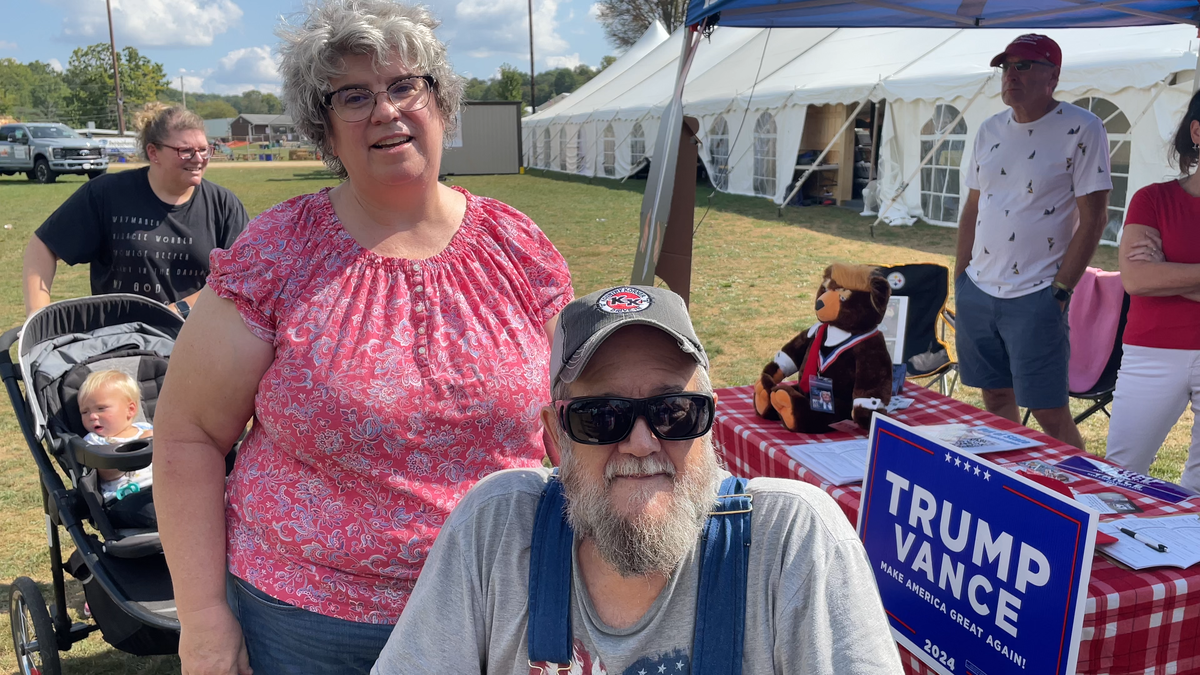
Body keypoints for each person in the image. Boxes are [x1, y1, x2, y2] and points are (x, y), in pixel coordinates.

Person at [152, 2, 573, 674]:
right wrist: (202, 617)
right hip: (314, 623)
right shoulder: (278, 253)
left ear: (442, 102)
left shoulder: (519, 246)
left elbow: (575, 420)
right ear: (325, 129)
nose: (386, 110)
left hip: (505, 603)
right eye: (354, 95)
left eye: (405, 85)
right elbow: (187, 436)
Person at [373, 286, 904, 674]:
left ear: (711, 421)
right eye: (601, 416)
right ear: (556, 438)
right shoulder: (496, 530)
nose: (642, 442)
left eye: (675, 411)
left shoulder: (793, 545)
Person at [953, 34, 1112, 449]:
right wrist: (961, 274)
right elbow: (973, 205)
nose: (1011, 75)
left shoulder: (1083, 127)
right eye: (1006, 66)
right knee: (996, 396)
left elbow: (1095, 218)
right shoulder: (989, 129)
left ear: (1052, 76)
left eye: (1023, 66)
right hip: (979, 289)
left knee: (1049, 411)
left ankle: (1081, 496)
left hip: (1037, 292)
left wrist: (1060, 290)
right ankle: (1011, 480)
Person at [22, 102, 249, 317]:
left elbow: (242, 278)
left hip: (194, 339)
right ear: (153, 153)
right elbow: (43, 246)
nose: (198, 159)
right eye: (185, 151)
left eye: (203, 149)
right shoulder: (106, 194)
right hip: (119, 342)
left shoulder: (223, 204)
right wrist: (38, 316)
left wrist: (179, 310)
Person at [1106, 89, 1200, 492]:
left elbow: (1153, 277)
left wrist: (1172, 275)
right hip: (1154, 350)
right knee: (1120, 474)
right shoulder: (1154, 199)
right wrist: (1154, 275)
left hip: (1157, 342)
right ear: (1197, 131)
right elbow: (1138, 280)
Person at [78, 370, 154, 501]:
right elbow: (107, 474)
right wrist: (139, 446)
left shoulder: (146, 428)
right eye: (85, 411)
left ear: (130, 410)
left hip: (160, 488)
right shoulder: (95, 441)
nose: (92, 416)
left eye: (101, 408)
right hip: (127, 498)